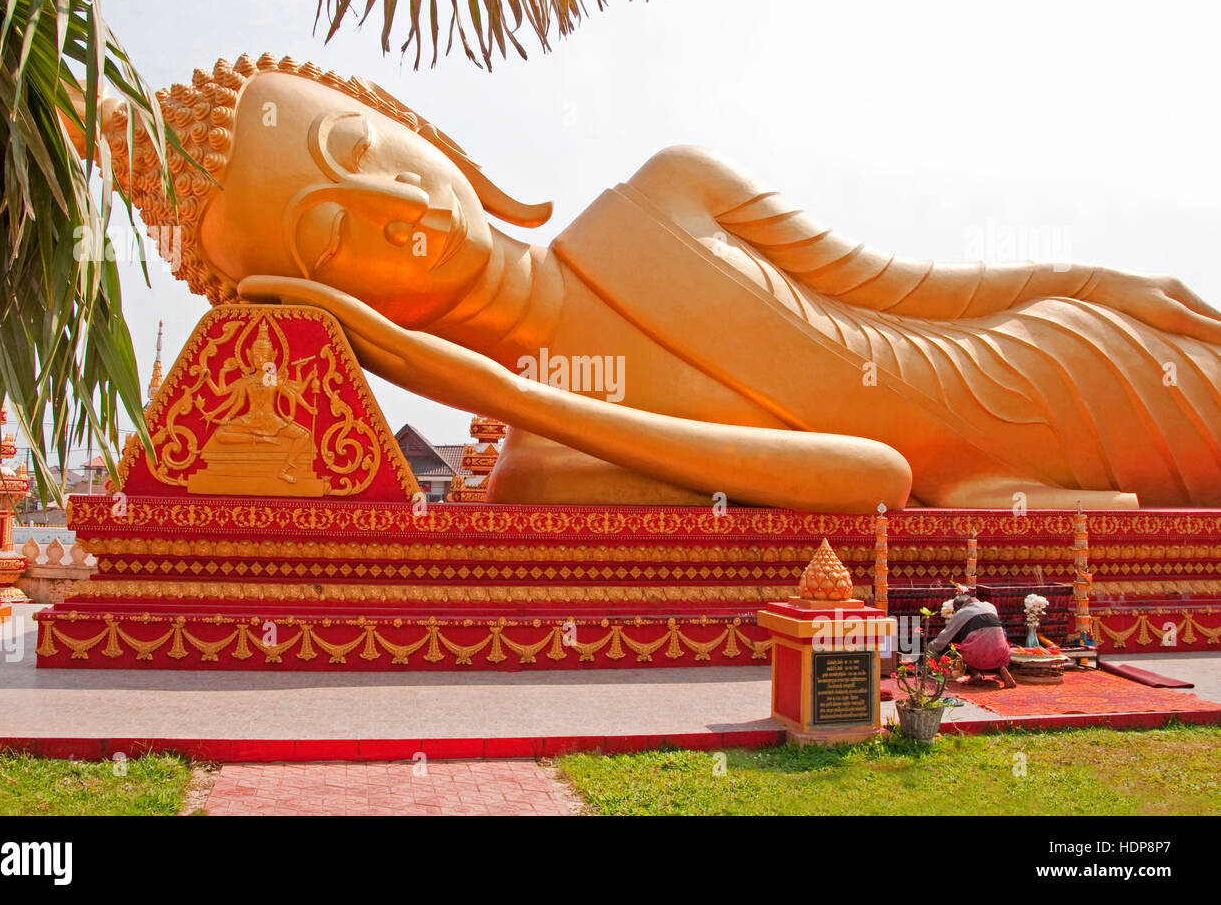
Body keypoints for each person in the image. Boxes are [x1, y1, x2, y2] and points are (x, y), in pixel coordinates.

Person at [84, 53, 1221, 512]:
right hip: (1016, 479)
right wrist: (480, 385)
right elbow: (875, 476)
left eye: (359, 149)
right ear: (352, 319)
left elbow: (919, 290)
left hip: (1066, 346)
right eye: (335, 237)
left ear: (414, 125)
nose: (405, 211)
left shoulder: (670, 191)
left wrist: (1097, 275)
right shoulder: (548, 460)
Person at [929, 595, 1016, 688]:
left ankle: (975, 673)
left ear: (958, 607)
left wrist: (930, 649)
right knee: (990, 644)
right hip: (1002, 655)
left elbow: (944, 639)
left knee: (961, 646)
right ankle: (1001, 669)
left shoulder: (962, 612)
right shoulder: (990, 606)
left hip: (976, 656)